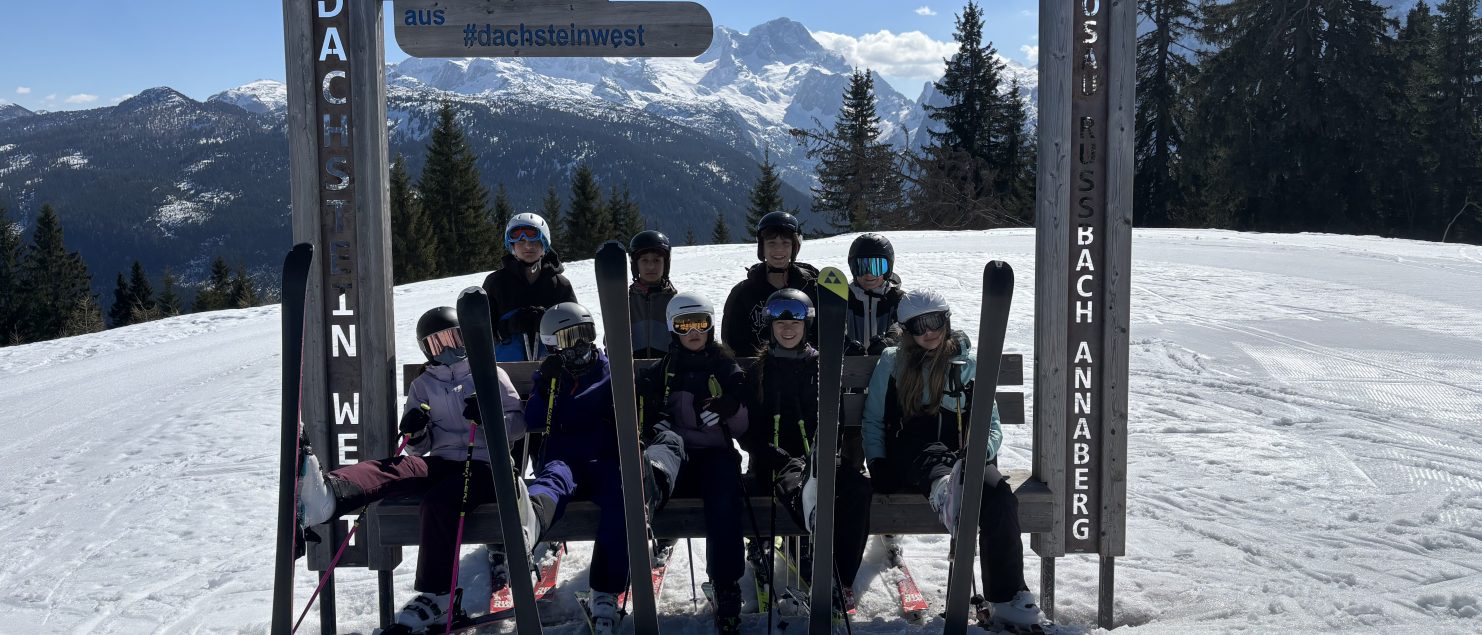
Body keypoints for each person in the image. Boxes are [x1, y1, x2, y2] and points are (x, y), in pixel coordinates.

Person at [295, 307, 571, 630]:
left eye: (454, 339)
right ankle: (329, 494)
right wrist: (416, 430)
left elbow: (518, 425)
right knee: (397, 468)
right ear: (427, 351)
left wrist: (489, 417)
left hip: (486, 465)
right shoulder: (423, 384)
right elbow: (417, 448)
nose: (448, 350)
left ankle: (439, 595)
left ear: (466, 340)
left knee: (440, 500)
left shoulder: (489, 374)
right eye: (437, 345)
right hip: (442, 461)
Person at [859, 289, 1043, 629]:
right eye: (919, 326)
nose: (929, 331)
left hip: (964, 459)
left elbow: (991, 423)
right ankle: (947, 490)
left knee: (1000, 495)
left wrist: (980, 453)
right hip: (910, 457)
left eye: (936, 322)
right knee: (925, 448)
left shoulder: (967, 364)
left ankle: (1008, 595)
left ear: (947, 321)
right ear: (907, 330)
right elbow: (873, 419)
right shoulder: (892, 362)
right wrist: (878, 461)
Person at [522, 302, 685, 635]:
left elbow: (636, 409)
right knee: (553, 478)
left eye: (585, 334)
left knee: (623, 497)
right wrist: (544, 386)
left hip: (605, 460)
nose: (580, 345)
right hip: (565, 458)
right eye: (569, 338)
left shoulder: (611, 370)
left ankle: (605, 592)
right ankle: (531, 517)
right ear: (553, 346)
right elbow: (534, 420)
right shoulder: (552, 377)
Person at [739, 289, 872, 613]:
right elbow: (747, 429)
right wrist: (765, 451)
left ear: (807, 325)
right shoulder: (758, 371)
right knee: (796, 487)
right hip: (774, 463)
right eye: (780, 322)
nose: (788, 329)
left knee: (858, 488)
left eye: (795, 322)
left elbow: (836, 419)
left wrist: (823, 453)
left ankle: (840, 578)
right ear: (770, 326)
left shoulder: (821, 367)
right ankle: (799, 549)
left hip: (817, 459)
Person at [635, 291, 749, 634]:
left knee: (724, 496)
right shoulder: (662, 371)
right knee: (663, 450)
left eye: (700, 323)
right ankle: (649, 490)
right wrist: (651, 421)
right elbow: (641, 414)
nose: (694, 332)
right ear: (673, 329)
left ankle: (726, 585)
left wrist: (732, 408)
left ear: (711, 325)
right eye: (685, 325)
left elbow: (743, 429)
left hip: (715, 454)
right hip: (676, 456)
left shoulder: (726, 368)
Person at [481, 213, 577, 362]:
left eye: (535, 240)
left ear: (544, 246)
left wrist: (550, 324)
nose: (528, 246)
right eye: (520, 241)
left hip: (553, 369)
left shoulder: (560, 285)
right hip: (507, 369)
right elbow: (481, 334)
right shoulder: (495, 283)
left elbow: (576, 333)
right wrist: (506, 327)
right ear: (512, 246)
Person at [721, 211, 819, 355]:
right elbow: (733, 344)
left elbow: (824, 334)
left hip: (806, 365)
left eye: (785, 243)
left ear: (794, 247)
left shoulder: (810, 288)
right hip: (758, 367)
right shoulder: (743, 293)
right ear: (762, 248)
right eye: (771, 243)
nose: (778, 249)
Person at [844, 232, 904, 357]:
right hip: (850, 366)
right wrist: (844, 344)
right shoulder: (844, 299)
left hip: (888, 365)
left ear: (888, 269)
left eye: (877, 267)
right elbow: (832, 326)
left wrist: (890, 341)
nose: (869, 274)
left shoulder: (898, 299)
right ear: (853, 268)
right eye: (862, 267)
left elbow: (903, 325)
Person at [628, 230, 676, 360]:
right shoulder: (625, 302)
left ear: (665, 264)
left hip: (667, 367)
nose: (650, 266)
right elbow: (611, 341)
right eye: (644, 260)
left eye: (657, 260)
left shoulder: (674, 303)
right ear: (635, 265)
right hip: (630, 368)